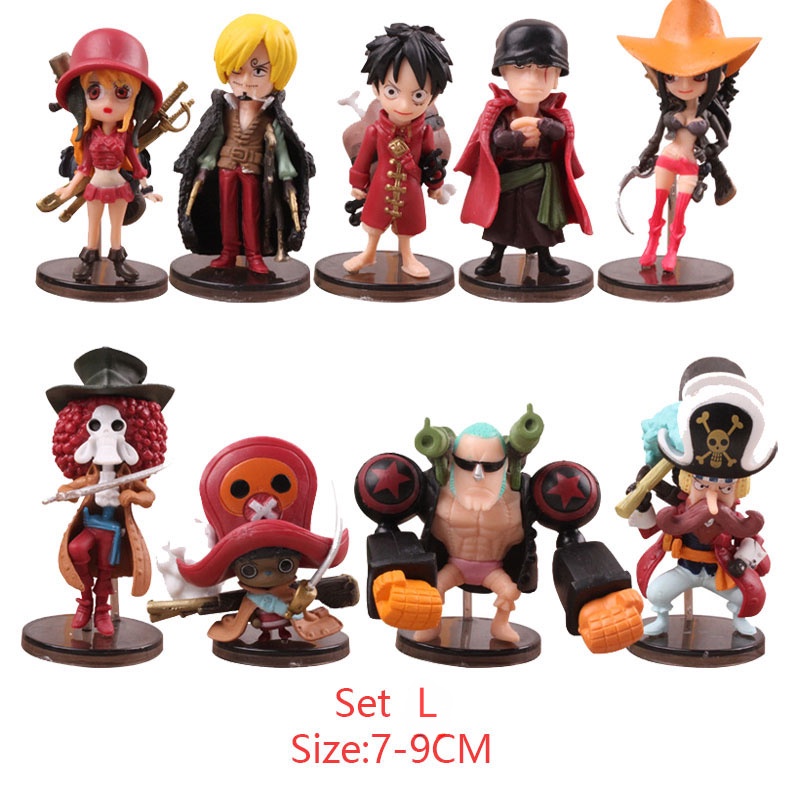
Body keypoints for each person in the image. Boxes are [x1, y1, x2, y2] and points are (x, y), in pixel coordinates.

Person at [618, 0, 760, 270]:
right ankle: (651, 245)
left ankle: (672, 251)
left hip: (689, 165)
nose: (683, 85)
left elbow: (723, 140)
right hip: (666, 159)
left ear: (718, 77)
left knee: (680, 212)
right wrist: (647, 154)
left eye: (698, 76)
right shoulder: (669, 112)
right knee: (658, 207)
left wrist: (708, 153)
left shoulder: (708, 116)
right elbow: (656, 137)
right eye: (671, 76)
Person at [175, 14, 314, 274]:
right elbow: (215, 138)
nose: (246, 80)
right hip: (226, 165)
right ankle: (228, 252)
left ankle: (254, 255)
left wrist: (287, 176)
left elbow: (282, 147)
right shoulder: (224, 108)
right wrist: (204, 166)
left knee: (252, 213)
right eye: (237, 69)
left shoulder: (271, 115)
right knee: (226, 212)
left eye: (259, 70)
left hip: (253, 167)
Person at [456, 19, 591, 277]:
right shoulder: (499, 113)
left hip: (541, 180)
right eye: (520, 67)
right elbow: (497, 138)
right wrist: (517, 137)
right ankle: (495, 257)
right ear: (503, 72)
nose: (532, 79)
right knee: (502, 221)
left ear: (556, 77)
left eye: (543, 69)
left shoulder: (552, 115)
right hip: (508, 176)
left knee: (541, 222)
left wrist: (541, 124)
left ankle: (545, 258)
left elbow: (560, 132)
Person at [52, 29, 162, 282]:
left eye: (122, 92)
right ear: (83, 98)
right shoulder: (89, 137)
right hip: (95, 186)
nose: (107, 103)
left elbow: (137, 166)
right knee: (93, 226)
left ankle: (118, 262)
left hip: (120, 186)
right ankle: (88, 260)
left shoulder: (126, 137)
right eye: (95, 92)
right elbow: (84, 167)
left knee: (115, 229)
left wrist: (147, 190)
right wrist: (69, 188)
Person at [343, 23, 452, 278]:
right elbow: (362, 161)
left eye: (418, 95)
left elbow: (431, 160)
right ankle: (369, 253)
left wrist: (436, 185)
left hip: (411, 188)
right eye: (392, 91)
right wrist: (358, 183)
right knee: (373, 223)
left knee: (407, 226)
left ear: (433, 97)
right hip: (381, 185)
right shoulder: (375, 131)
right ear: (376, 88)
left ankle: (407, 256)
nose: (403, 104)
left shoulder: (424, 132)